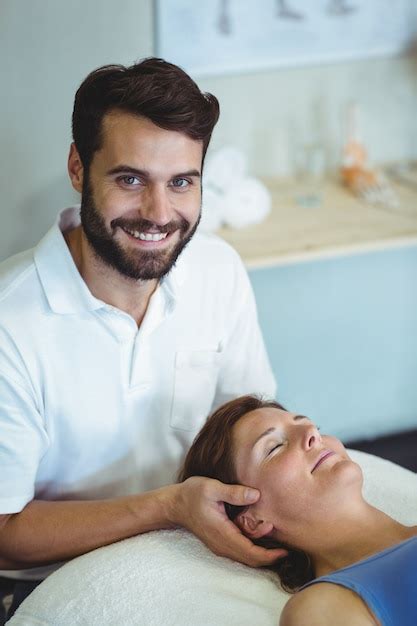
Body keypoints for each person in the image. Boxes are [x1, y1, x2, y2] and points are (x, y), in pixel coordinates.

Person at [0, 58, 283, 621]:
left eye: (182, 182)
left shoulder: (217, 270)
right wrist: (170, 508)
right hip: (52, 581)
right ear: (79, 168)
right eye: (131, 180)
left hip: (196, 551)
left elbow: (250, 423)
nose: (159, 214)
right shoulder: (11, 324)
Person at [179, 395, 417, 626]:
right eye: (274, 447)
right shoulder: (323, 607)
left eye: (312, 425)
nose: (311, 433)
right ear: (252, 521)